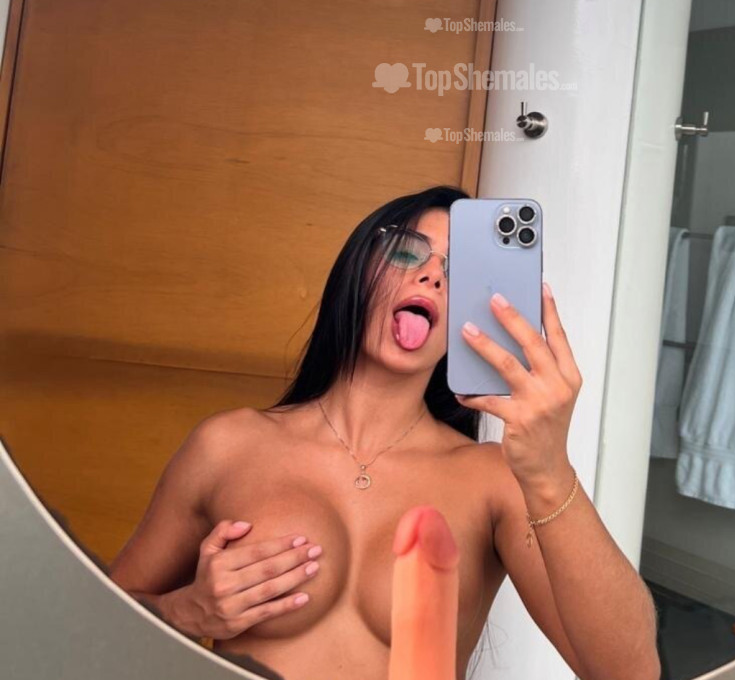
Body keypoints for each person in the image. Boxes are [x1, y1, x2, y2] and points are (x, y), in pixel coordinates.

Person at [108, 185, 660, 680]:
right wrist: (186, 611)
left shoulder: (493, 479)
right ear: (357, 271)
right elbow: (97, 624)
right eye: (405, 252)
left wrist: (549, 470)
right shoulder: (228, 446)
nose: (433, 276)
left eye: (460, 273)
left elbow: (630, 672)